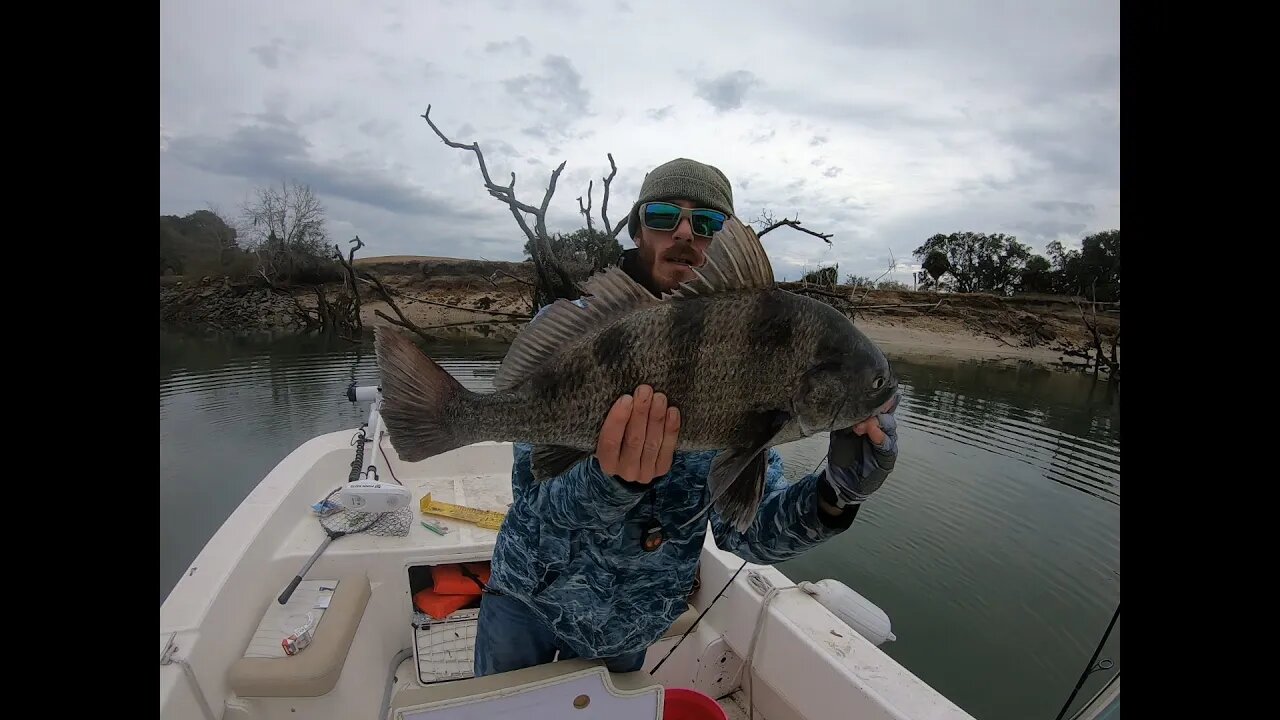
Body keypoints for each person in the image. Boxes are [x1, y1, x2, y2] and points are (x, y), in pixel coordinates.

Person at [473, 158, 901, 676]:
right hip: (527, 601)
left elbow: (747, 533)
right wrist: (611, 482)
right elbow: (538, 510)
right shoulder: (574, 337)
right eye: (662, 216)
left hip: (629, 626)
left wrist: (835, 495)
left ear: (722, 241)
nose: (683, 233)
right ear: (637, 231)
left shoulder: (760, 356)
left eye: (707, 222)